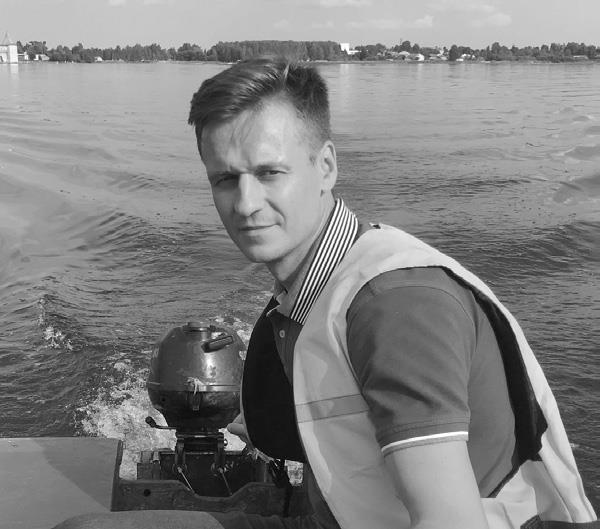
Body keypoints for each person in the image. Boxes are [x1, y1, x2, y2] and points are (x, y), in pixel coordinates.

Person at [54, 59, 597, 529]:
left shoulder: (395, 306)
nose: (246, 204)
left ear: (326, 167)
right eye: (225, 179)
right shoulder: (308, 294)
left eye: (270, 172)